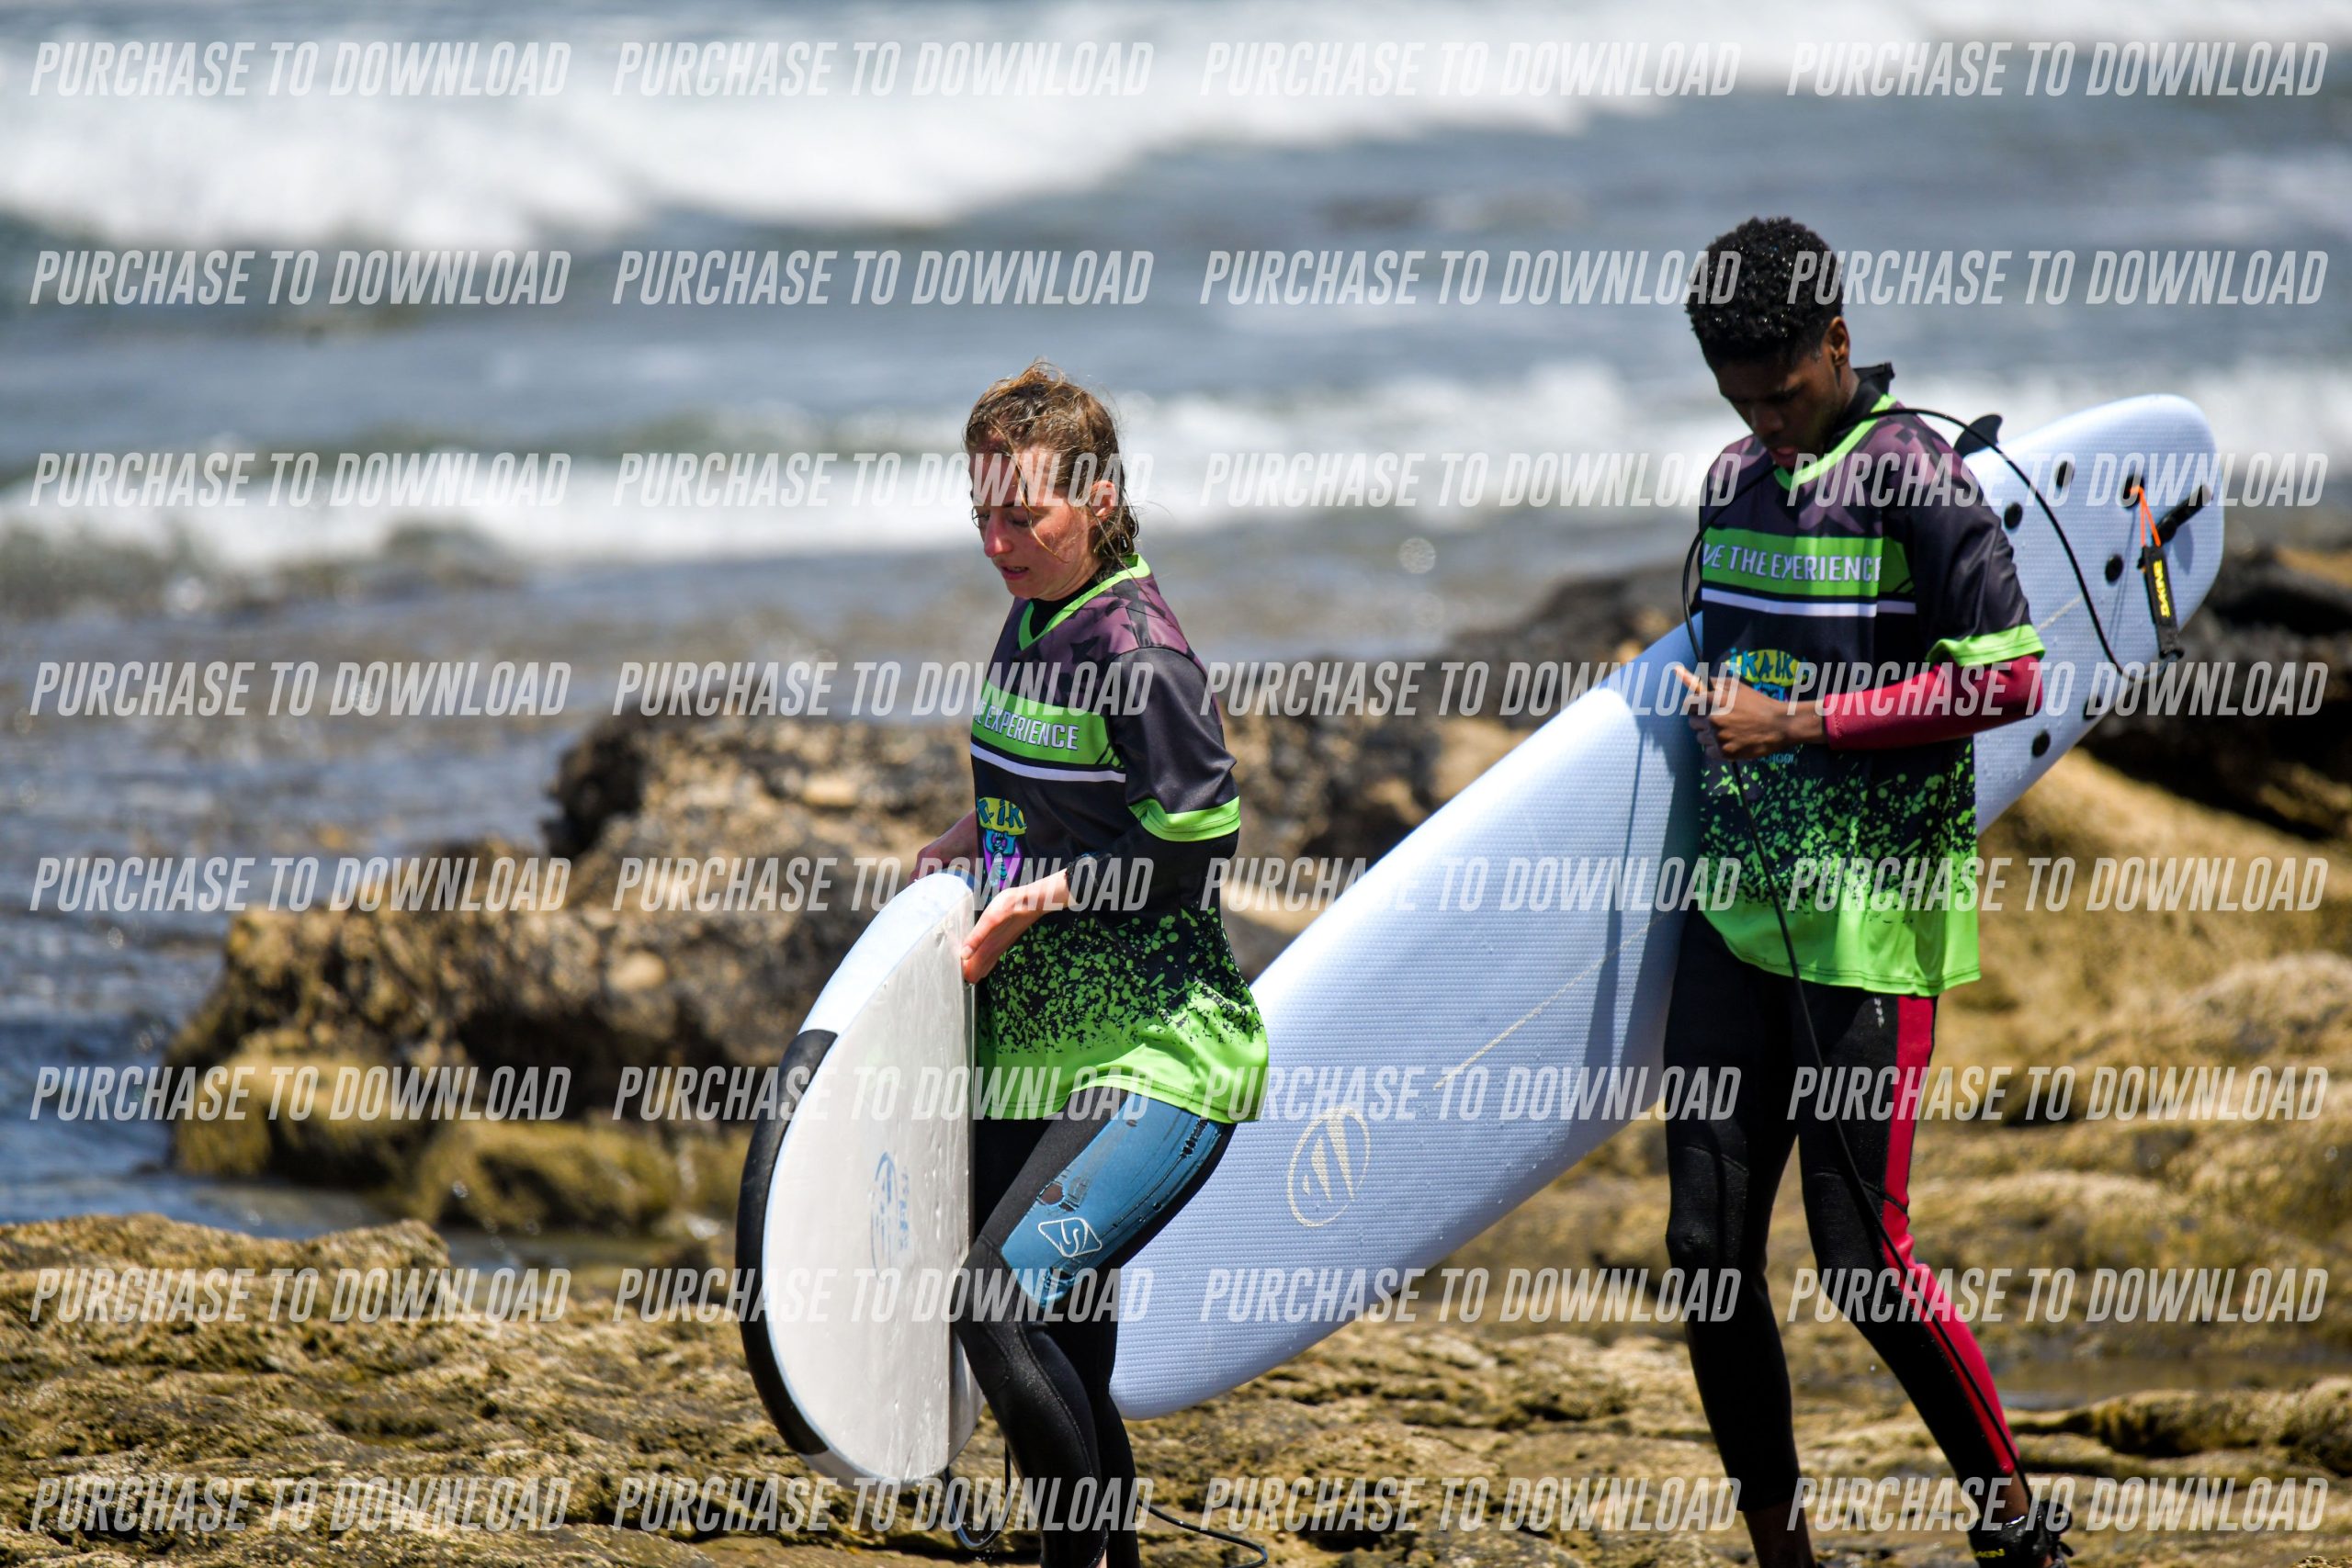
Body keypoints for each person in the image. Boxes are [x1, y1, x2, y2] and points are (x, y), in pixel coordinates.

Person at [1666, 218, 2066, 1568]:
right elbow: (1717, 667)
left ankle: (2014, 1527)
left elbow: (2009, 677)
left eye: (1783, 393)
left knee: (1863, 1263)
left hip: (1868, 928)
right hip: (1733, 914)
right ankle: (1783, 1555)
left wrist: (1800, 723)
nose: (1765, 422)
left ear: (1837, 343)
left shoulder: (1917, 477)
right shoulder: (1731, 481)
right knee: (1706, 1251)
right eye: (1740, 399)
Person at [918, 361, 1269, 1568]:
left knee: (997, 1305)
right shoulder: (1032, 615)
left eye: (1023, 516)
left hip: (1157, 1053)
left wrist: (1044, 897)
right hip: (1038, 1050)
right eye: (983, 514)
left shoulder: (1141, 652)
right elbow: (1044, 796)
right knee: (1060, 1342)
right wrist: (968, 841)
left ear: (1100, 498)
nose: (997, 543)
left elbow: (1194, 849)